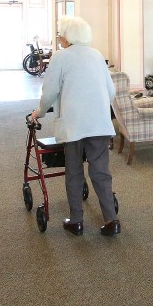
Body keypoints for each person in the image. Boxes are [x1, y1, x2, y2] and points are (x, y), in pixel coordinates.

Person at [31, 16, 120, 237]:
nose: (59, 37)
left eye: (60, 33)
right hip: (99, 124)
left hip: (74, 126)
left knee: (74, 172)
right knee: (101, 172)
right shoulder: (97, 55)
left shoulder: (60, 57)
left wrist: (38, 113)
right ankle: (111, 220)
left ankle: (76, 221)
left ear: (68, 36)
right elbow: (111, 91)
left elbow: (49, 92)